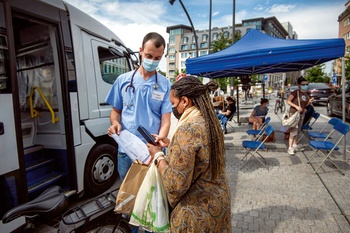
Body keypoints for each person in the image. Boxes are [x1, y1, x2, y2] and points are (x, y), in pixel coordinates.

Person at [105, 32, 172, 233]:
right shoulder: (123, 80)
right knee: (130, 198)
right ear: (141, 51)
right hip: (127, 152)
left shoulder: (165, 84)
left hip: (152, 152)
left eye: (158, 58)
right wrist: (115, 123)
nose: (152, 61)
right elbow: (115, 111)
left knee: (154, 199)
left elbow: (166, 119)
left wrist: (162, 136)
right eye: (149, 56)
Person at [146, 76, 232, 232]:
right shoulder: (210, 122)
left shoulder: (187, 128)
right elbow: (201, 155)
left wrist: (158, 155)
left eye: (173, 103)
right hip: (218, 203)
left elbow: (175, 184)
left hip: (195, 214)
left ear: (185, 101)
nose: (173, 108)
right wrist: (172, 144)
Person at [286, 76, 314, 155]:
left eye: (306, 84)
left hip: (301, 114)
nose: (305, 85)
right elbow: (288, 101)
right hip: (294, 113)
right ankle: (290, 147)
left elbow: (305, 104)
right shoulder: (295, 92)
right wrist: (296, 107)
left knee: (298, 131)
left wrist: (309, 103)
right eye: (303, 84)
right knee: (293, 131)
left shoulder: (306, 93)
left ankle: (295, 144)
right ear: (299, 85)